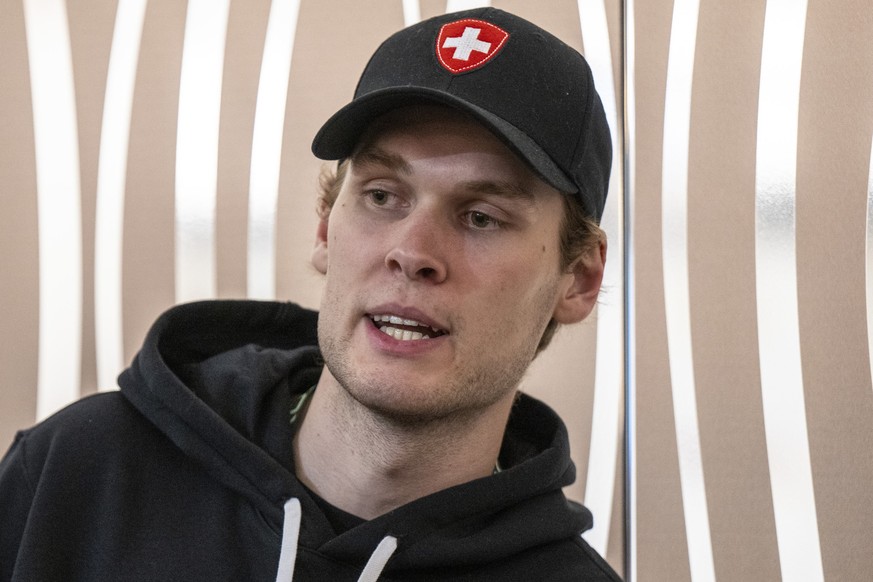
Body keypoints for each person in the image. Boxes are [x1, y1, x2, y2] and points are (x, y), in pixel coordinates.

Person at [0, 7, 620, 581]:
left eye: (481, 216)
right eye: (381, 195)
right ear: (326, 226)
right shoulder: (76, 475)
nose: (412, 251)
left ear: (579, 280)